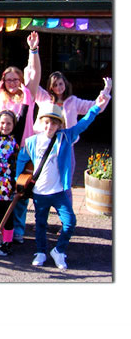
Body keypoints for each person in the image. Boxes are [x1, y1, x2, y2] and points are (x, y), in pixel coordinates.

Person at [16, 95, 109, 270]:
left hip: (59, 191)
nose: (49, 126)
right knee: (40, 224)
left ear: (59, 125)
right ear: (41, 122)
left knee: (70, 221)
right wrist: (18, 181)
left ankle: (58, 251)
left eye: (53, 123)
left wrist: (97, 107)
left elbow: (84, 123)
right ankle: (41, 252)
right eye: (46, 122)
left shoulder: (65, 137)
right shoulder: (31, 142)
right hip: (40, 192)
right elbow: (21, 160)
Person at [0, 81, 32, 256]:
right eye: (2, 123)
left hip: (9, 184)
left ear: (13, 125)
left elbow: (24, 115)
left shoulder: (15, 138)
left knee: (8, 215)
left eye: (9, 124)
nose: (5, 126)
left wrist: (26, 94)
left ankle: (7, 244)